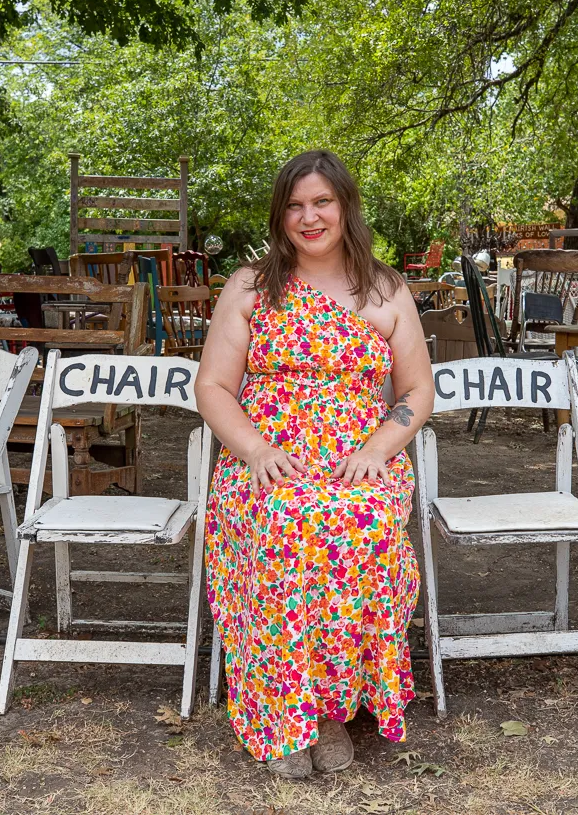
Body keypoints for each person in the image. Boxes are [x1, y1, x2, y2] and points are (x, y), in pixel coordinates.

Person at [195, 150, 434, 778]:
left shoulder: (385, 289)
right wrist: (255, 450)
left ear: (345, 206)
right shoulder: (250, 286)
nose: (309, 216)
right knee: (284, 522)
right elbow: (214, 387)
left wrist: (379, 450)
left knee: (364, 523)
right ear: (280, 215)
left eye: (322, 202)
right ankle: (281, 714)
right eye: (296, 205)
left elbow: (416, 392)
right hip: (268, 456)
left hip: (360, 458)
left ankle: (330, 709)